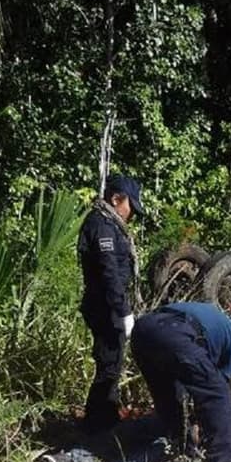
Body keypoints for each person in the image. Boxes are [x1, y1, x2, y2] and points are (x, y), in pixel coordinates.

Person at [130, 301, 231, 462]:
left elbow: (194, 380)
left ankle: (179, 446)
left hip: (143, 329)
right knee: (219, 394)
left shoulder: (215, 315)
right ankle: (222, 461)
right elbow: (213, 394)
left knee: (168, 394)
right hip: (176, 335)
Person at [77, 173, 145, 432]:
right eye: (131, 207)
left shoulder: (109, 222)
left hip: (109, 305)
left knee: (112, 363)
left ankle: (108, 414)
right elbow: (108, 273)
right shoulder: (101, 225)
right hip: (104, 306)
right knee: (108, 365)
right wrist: (123, 310)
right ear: (117, 199)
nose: (132, 214)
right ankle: (96, 425)